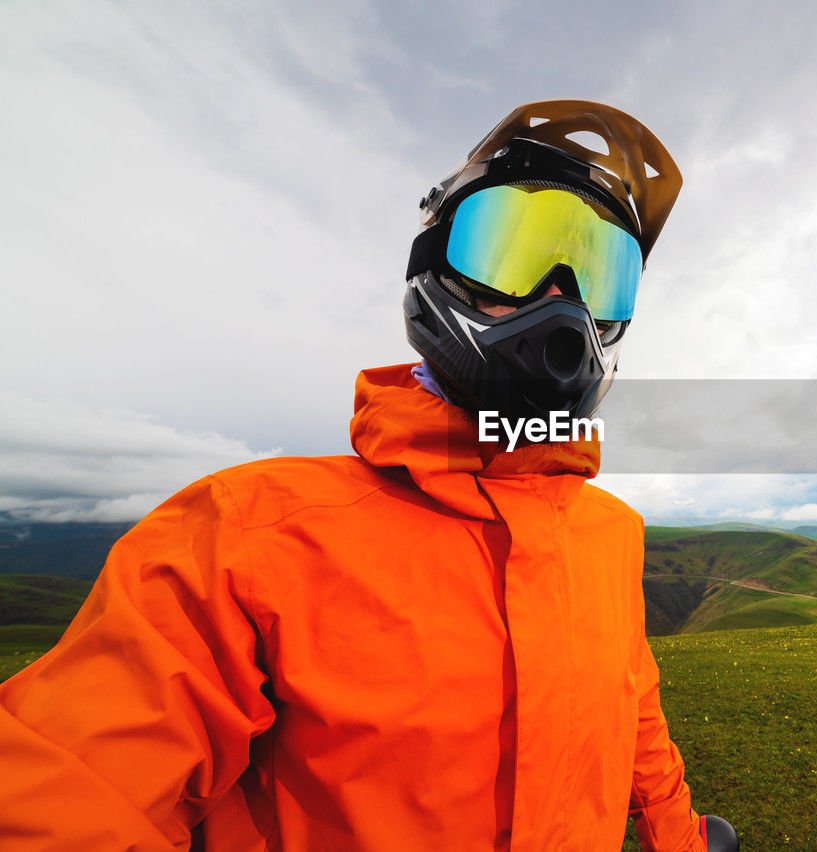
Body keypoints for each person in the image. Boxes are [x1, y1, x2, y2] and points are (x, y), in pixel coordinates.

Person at [0, 100, 719, 851]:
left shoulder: (610, 532)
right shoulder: (245, 533)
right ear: (436, 262)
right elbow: (75, 787)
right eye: (514, 250)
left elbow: (630, 703)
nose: (557, 299)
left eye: (600, 275)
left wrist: (681, 836)